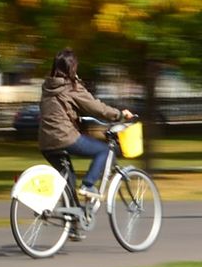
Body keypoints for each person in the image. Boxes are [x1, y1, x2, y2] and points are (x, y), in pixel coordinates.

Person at [39, 48, 133, 200]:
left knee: (68, 179)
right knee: (104, 151)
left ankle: (71, 219)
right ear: (72, 67)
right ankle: (88, 185)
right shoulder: (70, 87)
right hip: (65, 138)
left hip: (45, 142)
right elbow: (96, 108)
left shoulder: (47, 87)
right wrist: (120, 114)